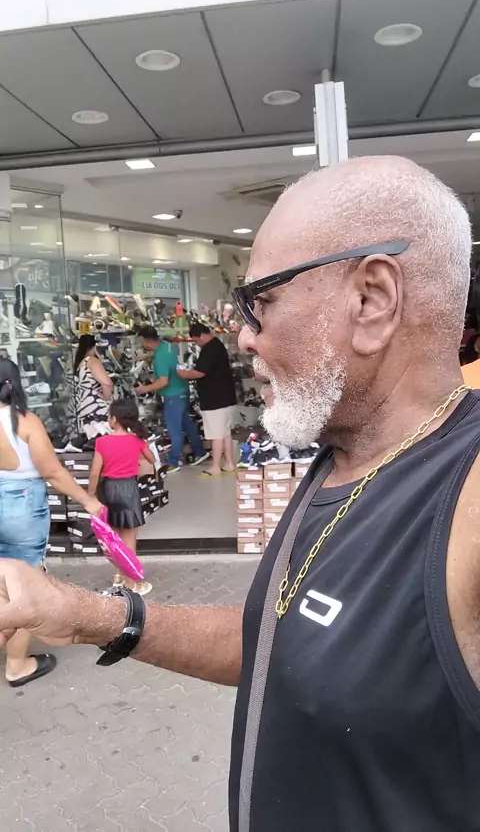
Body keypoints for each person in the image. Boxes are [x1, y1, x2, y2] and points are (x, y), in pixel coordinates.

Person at [3, 156, 480, 831]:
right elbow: (281, 640)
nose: (244, 335)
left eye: (261, 301)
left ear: (371, 300)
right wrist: (89, 615)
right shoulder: (343, 452)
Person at [0, 357, 102, 687]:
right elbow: (53, 472)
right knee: (23, 586)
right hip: (21, 511)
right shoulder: (24, 422)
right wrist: (88, 500)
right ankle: (17, 665)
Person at [88, 398, 155, 597]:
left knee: (114, 539)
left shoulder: (102, 442)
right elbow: (152, 459)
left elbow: (95, 473)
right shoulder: (137, 440)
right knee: (129, 541)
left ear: (114, 419)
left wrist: (90, 496)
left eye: (109, 416)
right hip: (128, 490)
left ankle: (118, 577)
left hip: (109, 490)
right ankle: (131, 584)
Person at [135, 325, 208, 473]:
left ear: (145, 340)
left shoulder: (160, 358)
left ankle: (173, 461)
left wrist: (145, 389)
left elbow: (163, 381)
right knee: (187, 424)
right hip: (182, 390)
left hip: (172, 395)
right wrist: (148, 357)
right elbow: (168, 359)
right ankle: (200, 451)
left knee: (174, 429)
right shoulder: (167, 346)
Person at [178, 322, 236, 476]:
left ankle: (215, 467)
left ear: (203, 335)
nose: (197, 344)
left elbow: (200, 372)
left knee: (216, 435)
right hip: (227, 398)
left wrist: (184, 375)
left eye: (196, 340)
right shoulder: (218, 345)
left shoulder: (209, 349)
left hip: (215, 400)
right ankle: (229, 463)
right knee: (225, 433)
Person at [72, 334, 113, 433]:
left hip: (84, 407)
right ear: (94, 346)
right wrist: (107, 397)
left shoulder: (80, 364)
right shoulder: (92, 361)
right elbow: (107, 384)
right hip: (96, 408)